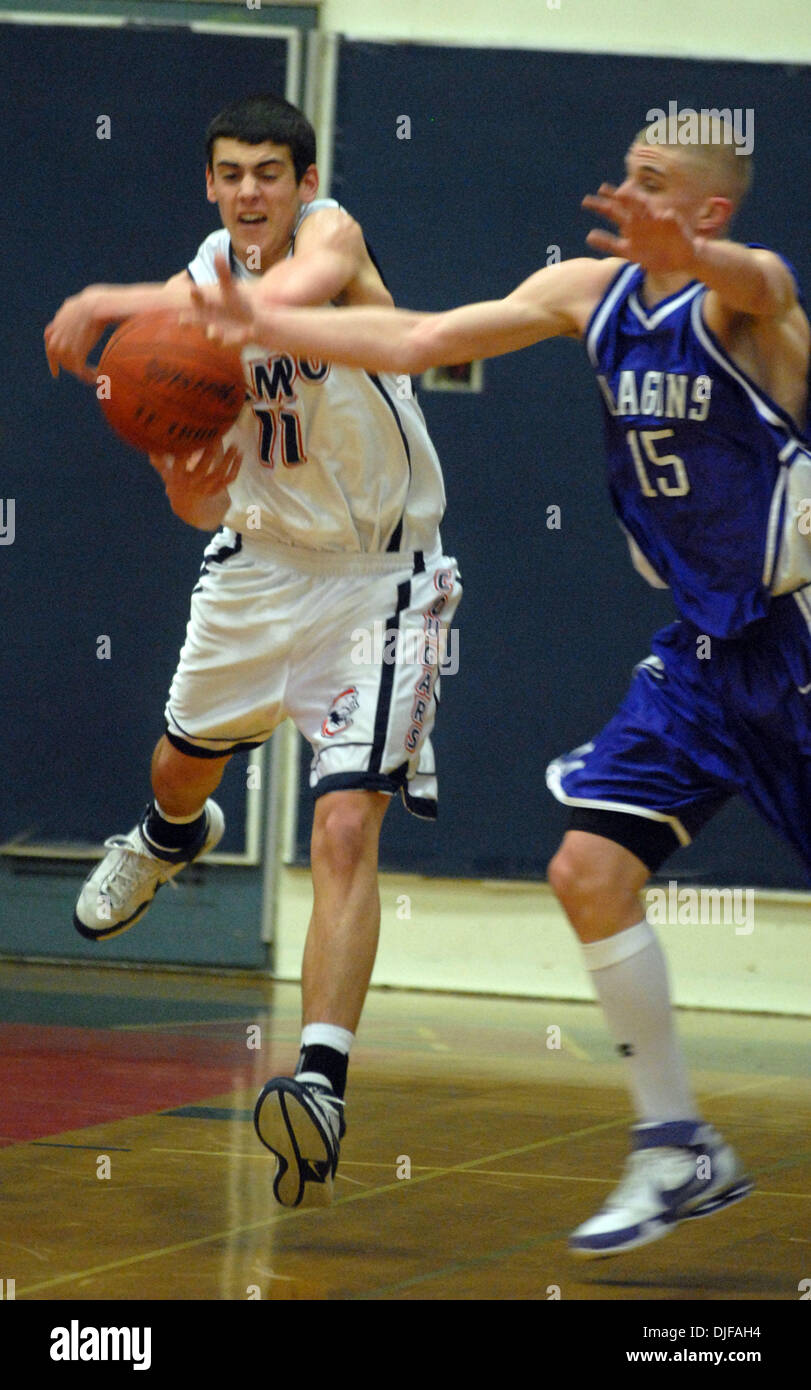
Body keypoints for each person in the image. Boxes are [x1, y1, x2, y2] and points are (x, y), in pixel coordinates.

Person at [184, 118, 811, 1257]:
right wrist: (257, 318)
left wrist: (703, 255)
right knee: (585, 867)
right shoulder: (589, 291)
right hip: (706, 656)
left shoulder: (744, 305)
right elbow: (421, 338)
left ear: (709, 213)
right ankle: (676, 1145)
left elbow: (761, 280)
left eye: (655, 187)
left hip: (800, 637)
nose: (624, 195)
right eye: (623, 174)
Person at [44, 93, 462, 1211]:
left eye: (268, 172)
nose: (248, 192)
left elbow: (275, 303)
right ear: (210, 185)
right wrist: (182, 479)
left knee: (340, 823)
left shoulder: (332, 239)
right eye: (229, 173)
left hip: (383, 579)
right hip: (259, 565)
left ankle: (319, 1078)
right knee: (181, 765)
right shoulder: (189, 298)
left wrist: (99, 299)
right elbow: (192, 505)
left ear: (305, 180)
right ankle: (173, 835)